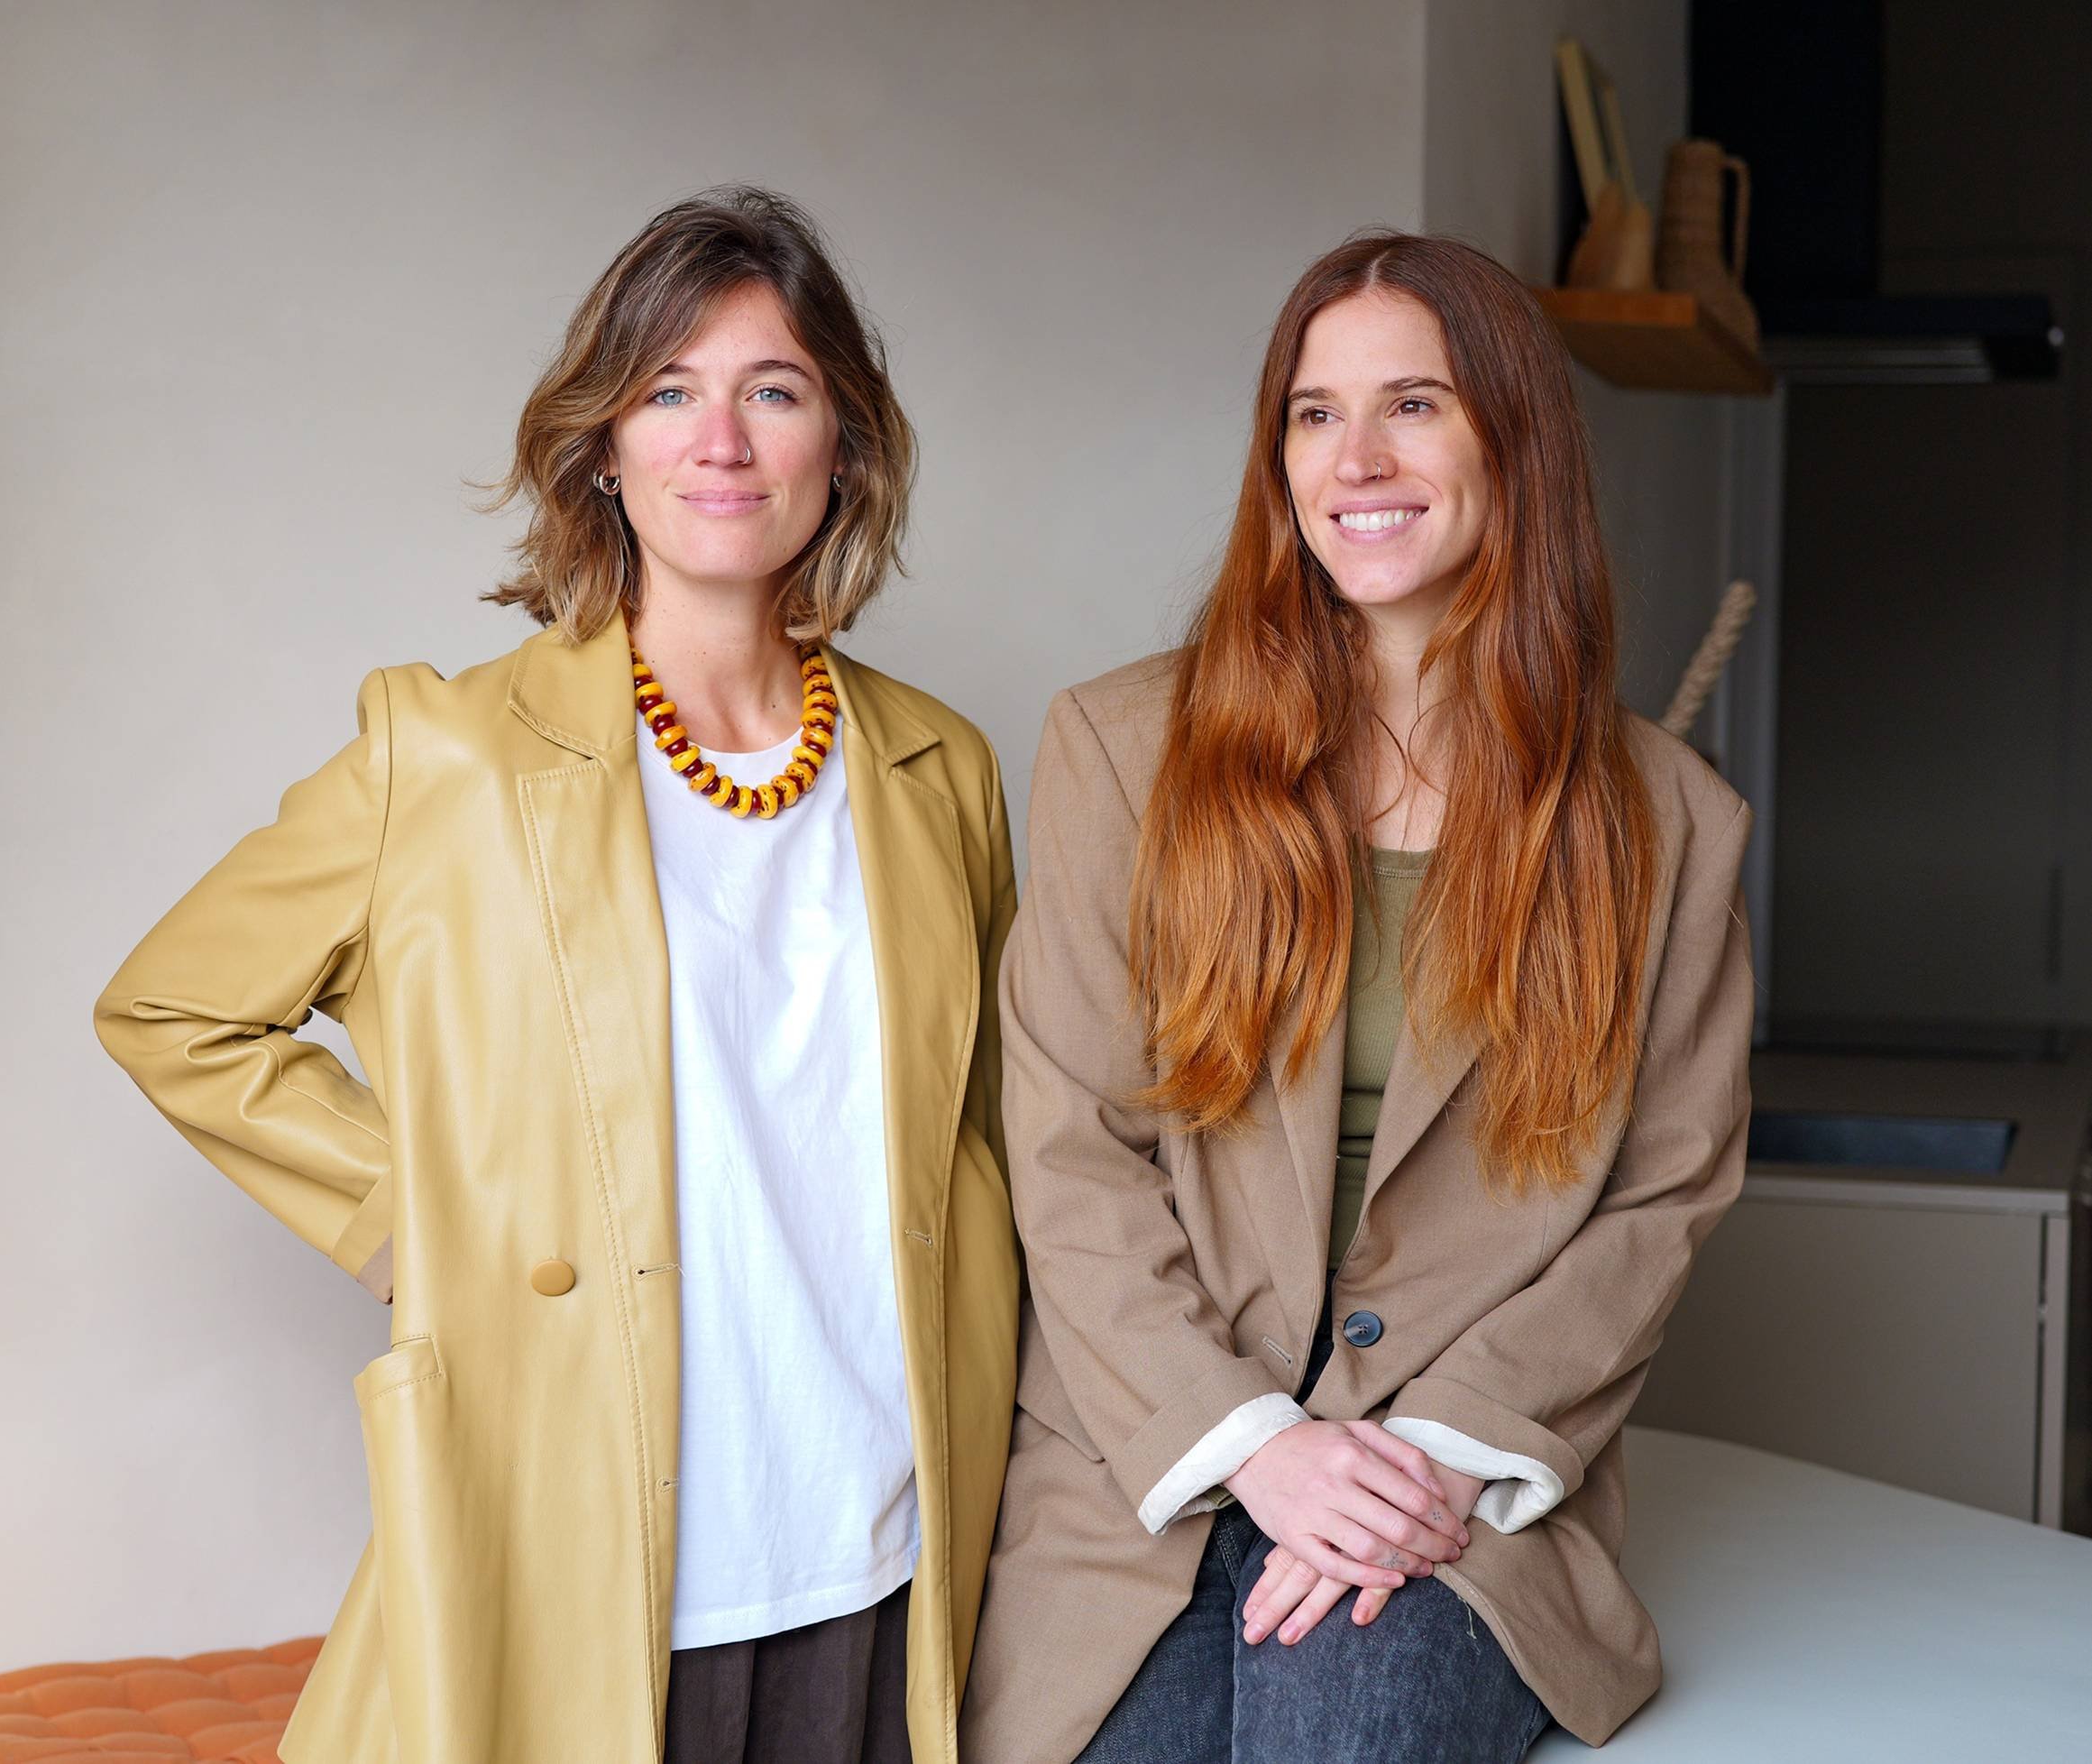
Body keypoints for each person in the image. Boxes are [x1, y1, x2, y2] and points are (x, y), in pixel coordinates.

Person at [95, 187, 1019, 1764]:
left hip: (891, 1520)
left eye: (773, 390)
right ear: (605, 444)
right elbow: (173, 1007)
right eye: (670, 390)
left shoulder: (941, 770)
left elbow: (984, 1133)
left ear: (842, 448)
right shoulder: (446, 753)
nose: (719, 438)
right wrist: (412, 1222)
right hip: (601, 1527)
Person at [960, 231, 1756, 1763]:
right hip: (1156, 1446)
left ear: (1509, 442)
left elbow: (1662, 1195)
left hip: (1449, 1473)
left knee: (1342, 1725)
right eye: (1314, 414)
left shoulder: (1668, 822)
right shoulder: (1120, 751)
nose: (1356, 457)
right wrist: (1257, 1447)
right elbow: (1064, 1147)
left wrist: (1425, 1461)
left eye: (1415, 404)